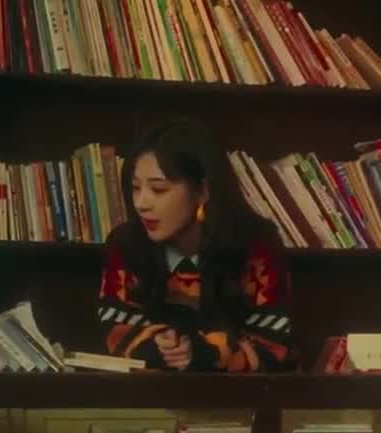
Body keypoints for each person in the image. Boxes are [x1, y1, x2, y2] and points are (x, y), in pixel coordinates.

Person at [96, 120, 295, 372]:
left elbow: (272, 344)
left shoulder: (257, 245)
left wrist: (205, 351)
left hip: (240, 394)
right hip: (148, 393)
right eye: (135, 188)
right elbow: (115, 332)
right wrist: (159, 344)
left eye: (158, 189)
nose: (141, 203)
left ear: (202, 191)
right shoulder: (125, 244)